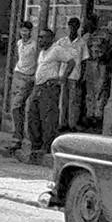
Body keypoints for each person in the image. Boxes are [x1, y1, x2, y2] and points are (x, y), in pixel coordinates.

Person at [24, 28, 73, 161]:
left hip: (49, 87)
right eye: (39, 37)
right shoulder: (42, 52)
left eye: (43, 37)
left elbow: (70, 61)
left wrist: (62, 78)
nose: (40, 40)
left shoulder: (56, 49)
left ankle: (46, 145)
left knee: (48, 117)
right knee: (33, 114)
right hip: (38, 86)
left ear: (51, 39)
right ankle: (36, 144)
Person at [6, 22, 38, 156]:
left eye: (27, 31)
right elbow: (16, 57)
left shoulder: (35, 45)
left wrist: (35, 75)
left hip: (28, 76)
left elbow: (38, 60)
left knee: (17, 105)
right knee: (16, 106)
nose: (24, 33)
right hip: (18, 74)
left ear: (30, 32)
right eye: (22, 30)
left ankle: (18, 137)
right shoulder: (19, 43)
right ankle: (18, 134)